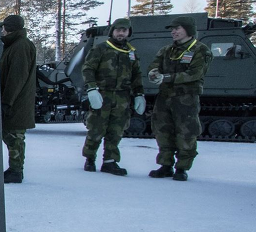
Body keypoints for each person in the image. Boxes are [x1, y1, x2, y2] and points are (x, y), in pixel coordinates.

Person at [146, 16, 213, 181]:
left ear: (188, 30)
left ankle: (182, 167)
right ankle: (165, 165)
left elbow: (194, 73)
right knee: (162, 130)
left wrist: (166, 77)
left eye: (177, 28)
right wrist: (153, 73)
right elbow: (155, 64)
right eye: (172, 29)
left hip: (186, 98)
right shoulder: (166, 50)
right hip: (165, 97)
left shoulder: (200, 50)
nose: (173, 32)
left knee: (186, 132)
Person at [80, 18, 145, 175]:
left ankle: (110, 161)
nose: (121, 33)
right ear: (112, 32)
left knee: (116, 130)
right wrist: (92, 89)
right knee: (96, 129)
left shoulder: (131, 53)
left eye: (124, 30)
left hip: (122, 97)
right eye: (118, 30)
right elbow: (88, 69)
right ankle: (90, 158)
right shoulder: (101, 49)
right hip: (102, 95)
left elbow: (136, 75)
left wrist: (139, 94)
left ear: (128, 32)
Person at [0, 14, 36, 183]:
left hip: (16, 103)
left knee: (15, 138)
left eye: (4, 27)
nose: (2, 30)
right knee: (12, 136)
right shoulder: (15, 45)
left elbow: (16, 77)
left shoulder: (20, 46)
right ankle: (15, 169)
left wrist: (7, 102)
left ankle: (15, 171)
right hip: (15, 101)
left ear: (9, 28)